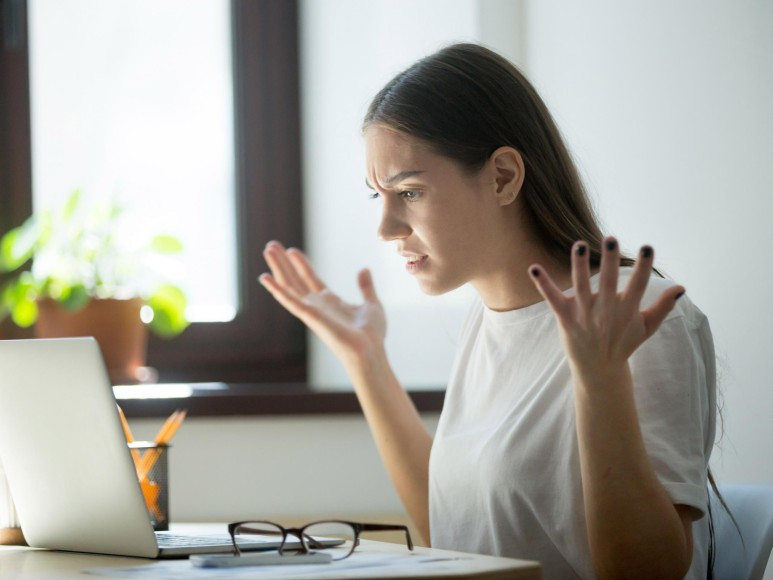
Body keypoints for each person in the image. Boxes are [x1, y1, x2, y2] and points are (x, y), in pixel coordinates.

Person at [259, 43, 716, 579]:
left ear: (502, 176)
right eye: (377, 196)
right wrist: (367, 362)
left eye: (409, 192)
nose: (386, 228)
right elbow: (458, 538)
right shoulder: (490, 317)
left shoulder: (638, 320)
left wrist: (601, 379)